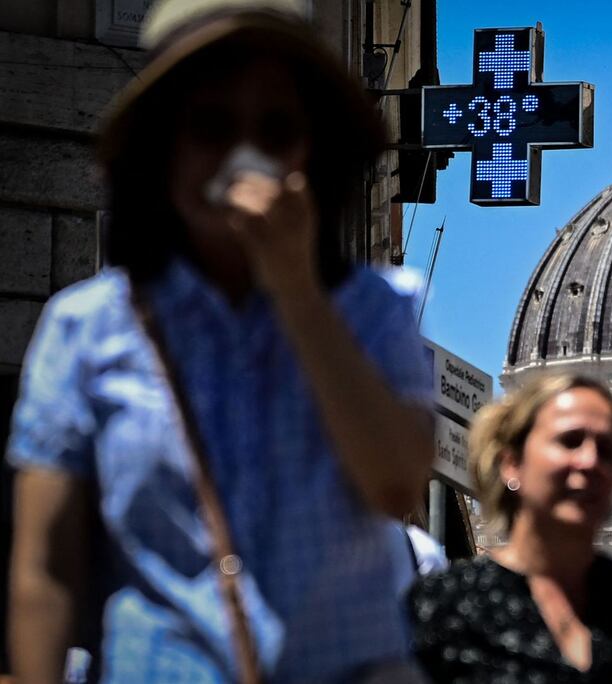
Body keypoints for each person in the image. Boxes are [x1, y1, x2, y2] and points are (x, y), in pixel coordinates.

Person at [6, 0, 435, 681]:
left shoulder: (376, 310)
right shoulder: (87, 327)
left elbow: (396, 483)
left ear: (312, 149)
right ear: (162, 146)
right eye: (211, 127)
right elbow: (46, 566)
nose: (244, 157)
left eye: (275, 129)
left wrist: (297, 290)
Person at [409, 374, 612, 683]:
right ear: (511, 462)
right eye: (569, 441)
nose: (589, 461)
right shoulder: (442, 608)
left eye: (607, 450)